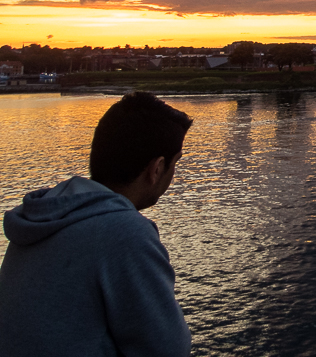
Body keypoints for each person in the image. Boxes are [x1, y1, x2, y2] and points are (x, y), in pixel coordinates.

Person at [0, 92, 193, 356]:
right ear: (157, 168)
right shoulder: (125, 232)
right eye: (175, 164)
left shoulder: (45, 213)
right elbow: (168, 349)